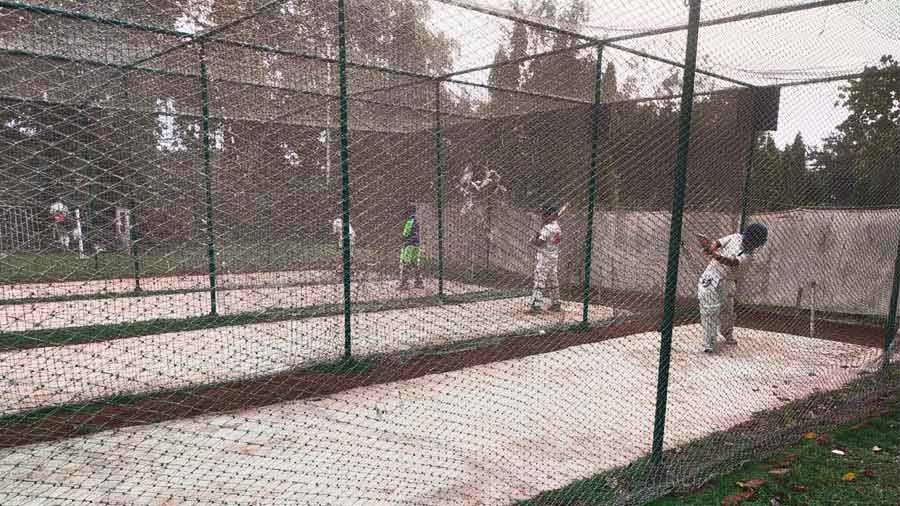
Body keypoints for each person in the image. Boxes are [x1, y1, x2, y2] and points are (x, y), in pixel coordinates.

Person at [697, 223, 768, 353]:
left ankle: (727, 334)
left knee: (727, 312)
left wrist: (714, 255)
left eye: (755, 243)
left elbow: (731, 262)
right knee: (709, 310)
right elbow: (718, 242)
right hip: (711, 276)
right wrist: (711, 247)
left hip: (727, 282)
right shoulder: (735, 237)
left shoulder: (749, 257)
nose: (752, 245)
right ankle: (709, 343)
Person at [529, 205, 562, 313]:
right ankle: (556, 303)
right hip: (554, 258)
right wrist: (540, 235)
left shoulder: (547, 228)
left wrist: (533, 240)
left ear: (549, 216)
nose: (542, 217)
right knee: (553, 280)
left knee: (539, 280)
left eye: (544, 215)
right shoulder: (557, 227)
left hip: (544, 258)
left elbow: (540, 242)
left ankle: (536, 305)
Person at [399, 205, 423, 290]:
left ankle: (404, 284)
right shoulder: (416, 221)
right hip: (416, 245)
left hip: (409, 245)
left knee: (405, 263)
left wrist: (402, 239)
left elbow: (405, 234)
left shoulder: (410, 221)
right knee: (415, 264)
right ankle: (419, 282)